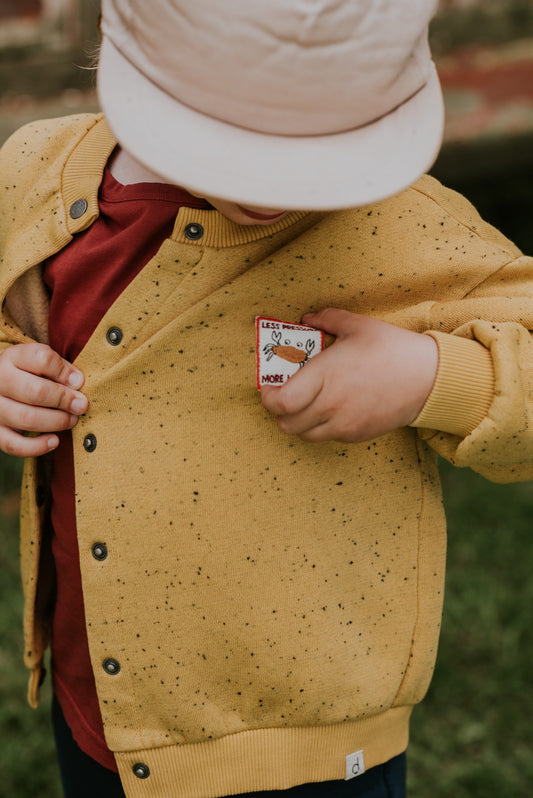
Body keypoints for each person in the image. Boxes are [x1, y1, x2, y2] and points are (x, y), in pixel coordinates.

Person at [0, 0, 531, 796]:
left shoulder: (402, 231)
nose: (279, 181)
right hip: (102, 705)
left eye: (316, 150)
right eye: (243, 147)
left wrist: (426, 377)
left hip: (307, 757)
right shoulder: (36, 173)